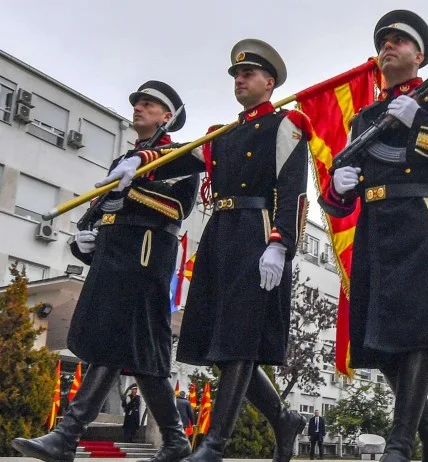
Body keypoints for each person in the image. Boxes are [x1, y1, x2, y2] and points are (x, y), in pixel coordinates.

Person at [104, 39, 309, 462]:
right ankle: (284, 420)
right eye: (235, 74)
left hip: (258, 230)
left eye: (247, 74)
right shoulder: (223, 135)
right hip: (221, 234)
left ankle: (215, 444)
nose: (238, 79)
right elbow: (174, 159)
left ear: (269, 82)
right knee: (224, 344)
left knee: (238, 342)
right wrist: (139, 160)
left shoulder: (286, 125)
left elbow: (293, 193)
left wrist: (281, 243)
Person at [318, 9, 428, 462]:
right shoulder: (365, 119)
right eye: (384, 41)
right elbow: (338, 196)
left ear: (419, 56)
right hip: (375, 225)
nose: (388, 46)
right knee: (379, 337)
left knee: (414, 331)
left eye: (399, 40)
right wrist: (336, 189)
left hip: (422, 217)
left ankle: (400, 443)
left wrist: (420, 122)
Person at [12, 80, 197, 462]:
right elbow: (99, 211)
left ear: (167, 116)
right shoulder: (124, 160)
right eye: (138, 103)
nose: (139, 108)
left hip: (146, 258)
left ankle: (67, 435)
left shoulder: (180, 156)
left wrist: (128, 193)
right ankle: (176, 441)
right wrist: (83, 238)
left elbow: (178, 208)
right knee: (145, 354)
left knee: (115, 342)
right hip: (114, 260)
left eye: (149, 104)